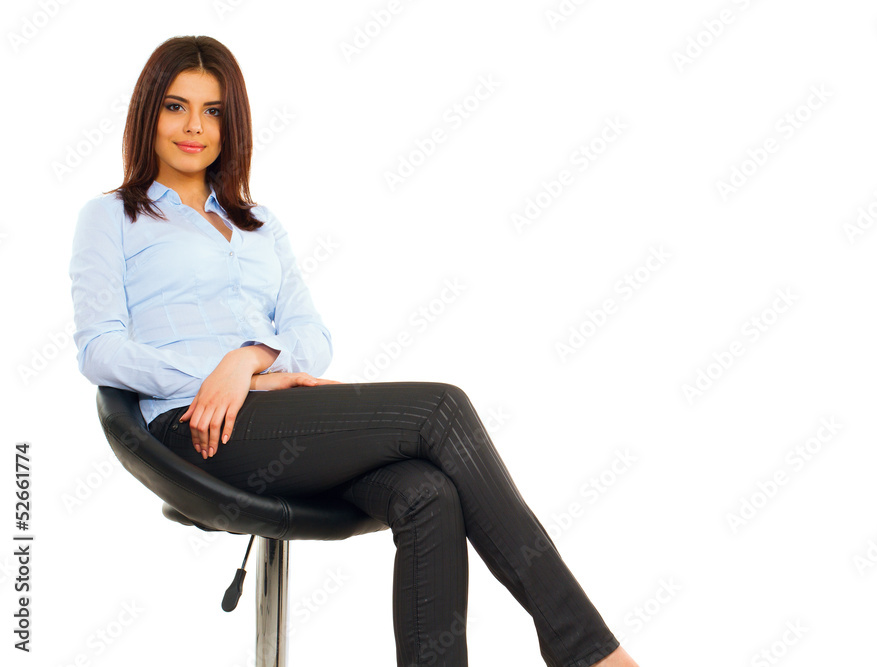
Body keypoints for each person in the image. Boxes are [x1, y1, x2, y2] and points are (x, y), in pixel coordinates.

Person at [69, 35, 640, 667]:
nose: (194, 127)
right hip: (194, 432)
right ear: (148, 112)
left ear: (233, 126)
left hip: (268, 417)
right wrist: (220, 378)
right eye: (177, 107)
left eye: (213, 112)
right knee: (441, 409)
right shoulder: (112, 218)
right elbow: (99, 348)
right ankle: (587, 652)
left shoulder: (259, 226)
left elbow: (312, 339)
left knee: (428, 492)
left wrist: (251, 360)